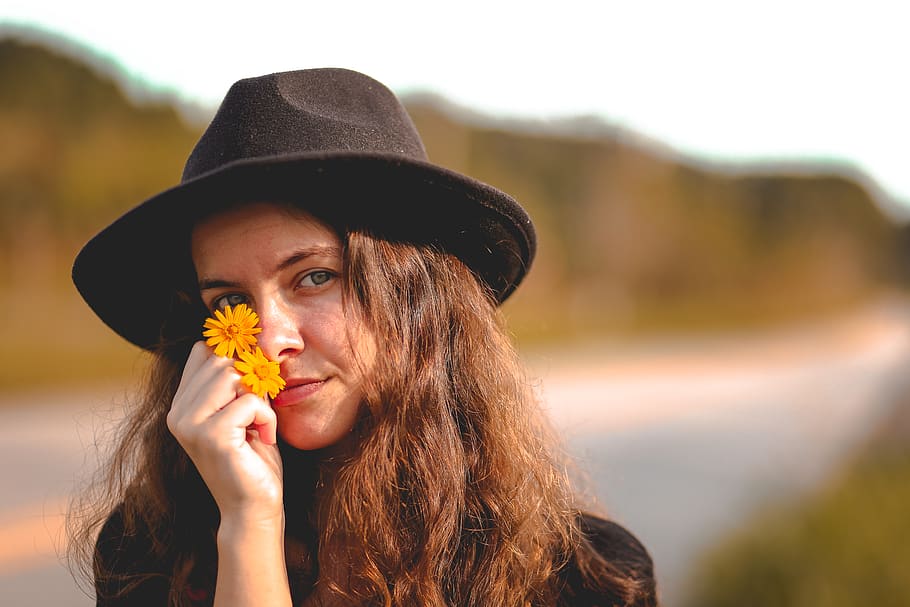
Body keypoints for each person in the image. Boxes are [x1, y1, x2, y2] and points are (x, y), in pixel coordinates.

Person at [69, 68, 657, 606]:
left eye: (315, 277)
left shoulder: (583, 580)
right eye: (230, 303)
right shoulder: (150, 559)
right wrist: (249, 526)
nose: (269, 343)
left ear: (415, 295)